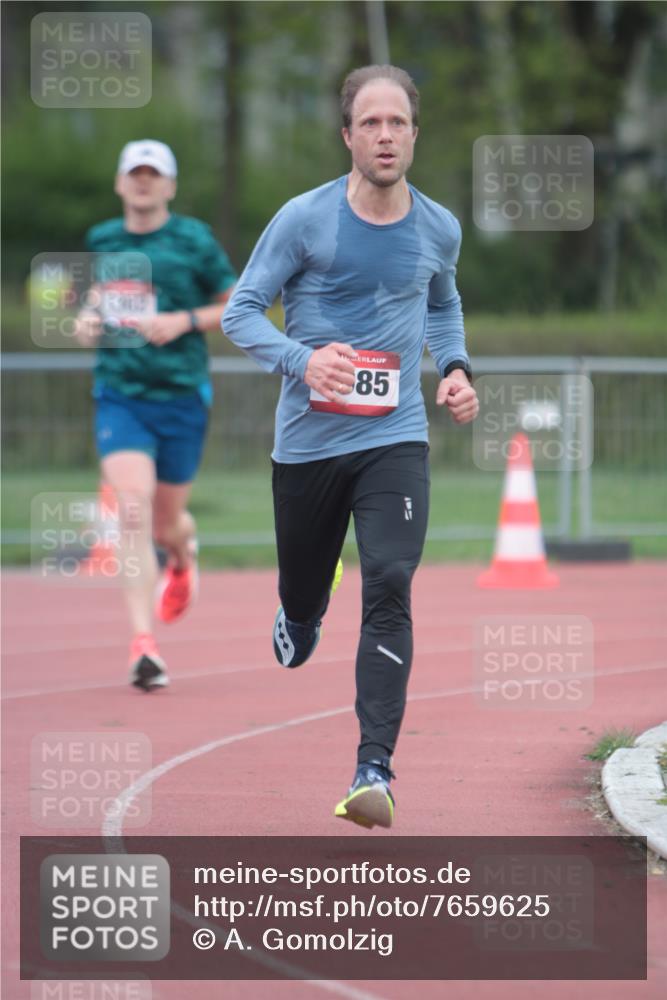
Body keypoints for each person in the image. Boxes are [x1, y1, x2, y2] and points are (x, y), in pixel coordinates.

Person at [223, 65, 479, 829]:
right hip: (307, 446)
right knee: (305, 596)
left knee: (391, 579)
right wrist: (304, 360)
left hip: (393, 437)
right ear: (347, 136)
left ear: (414, 133)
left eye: (396, 121)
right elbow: (240, 313)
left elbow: (443, 303)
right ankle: (301, 611)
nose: (384, 134)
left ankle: (374, 768)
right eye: (369, 123)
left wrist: (457, 369)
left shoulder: (438, 226)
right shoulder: (305, 219)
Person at [75, 140, 236, 691]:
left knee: (168, 525)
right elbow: (90, 303)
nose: (143, 182)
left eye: (154, 174)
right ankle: (143, 645)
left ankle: (184, 557)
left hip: (182, 395)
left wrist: (183, 321)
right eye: (134, 173)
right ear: (120, 182)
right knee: (134, 512)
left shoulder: (193, 240)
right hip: (121, 395)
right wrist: (87, 321)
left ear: (170, 185)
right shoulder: (102, 240)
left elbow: (238, 305)